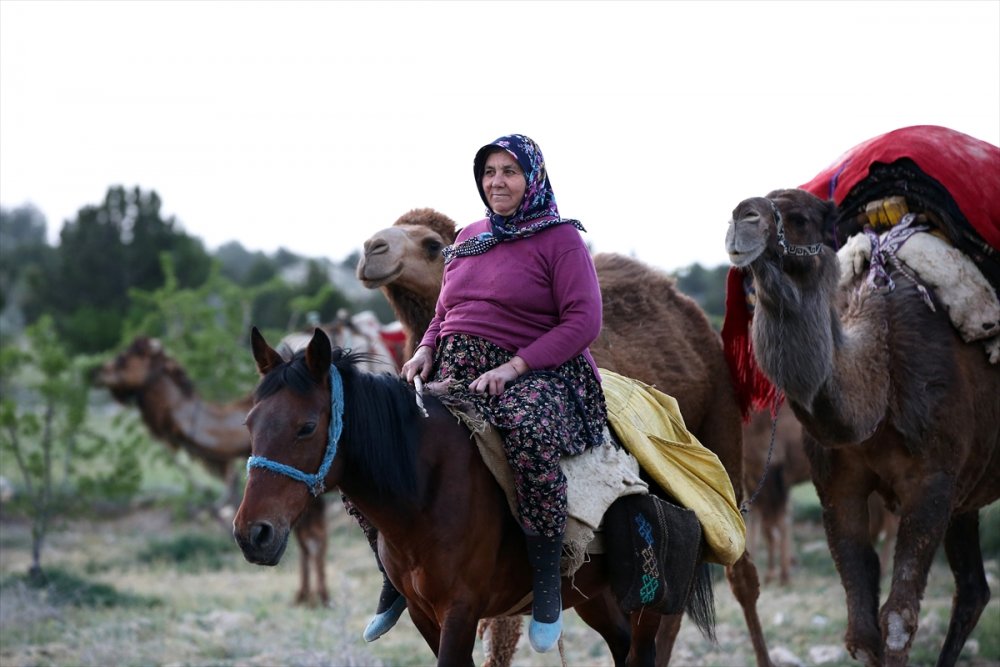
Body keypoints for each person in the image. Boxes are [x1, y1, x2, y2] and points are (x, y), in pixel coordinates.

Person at [394, 133, 607, 652]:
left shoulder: (560, 241)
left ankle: (547, 581)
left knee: (525, 428)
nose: (497, 181)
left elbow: (585, 322)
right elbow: (445, 314)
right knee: (380, 426)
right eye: (489, 172)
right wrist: (424, 350)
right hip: (454, 370)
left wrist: (516, 367)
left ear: (531, 177)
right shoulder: (469, 235)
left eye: (509, 171)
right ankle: (394, 576)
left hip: (540, 374)